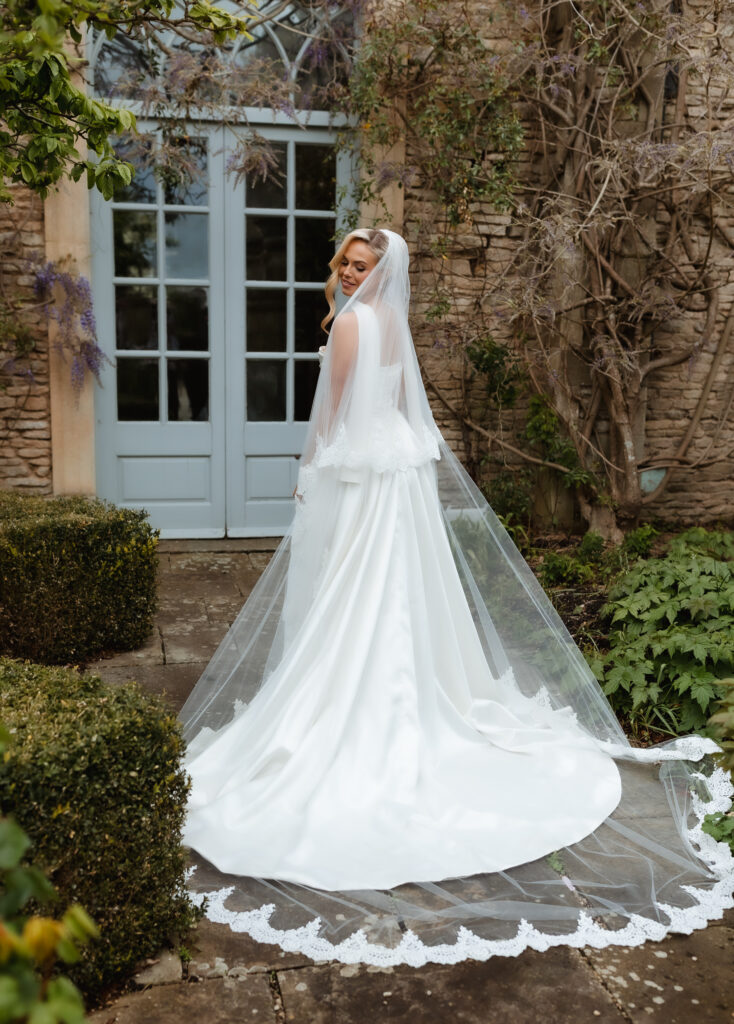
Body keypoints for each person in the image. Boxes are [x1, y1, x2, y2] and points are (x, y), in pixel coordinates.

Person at [180, 228, 733, 967]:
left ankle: (352, 702)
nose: (351, 273)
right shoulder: (390, 321)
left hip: (360, 479)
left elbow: (331, 413)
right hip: (397, 476)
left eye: (362, 265)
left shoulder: (351, 323)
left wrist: (308, 473)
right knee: (394, 592)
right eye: (347, 263)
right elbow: (396, 408)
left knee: (354, 591)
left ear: (380, 271)